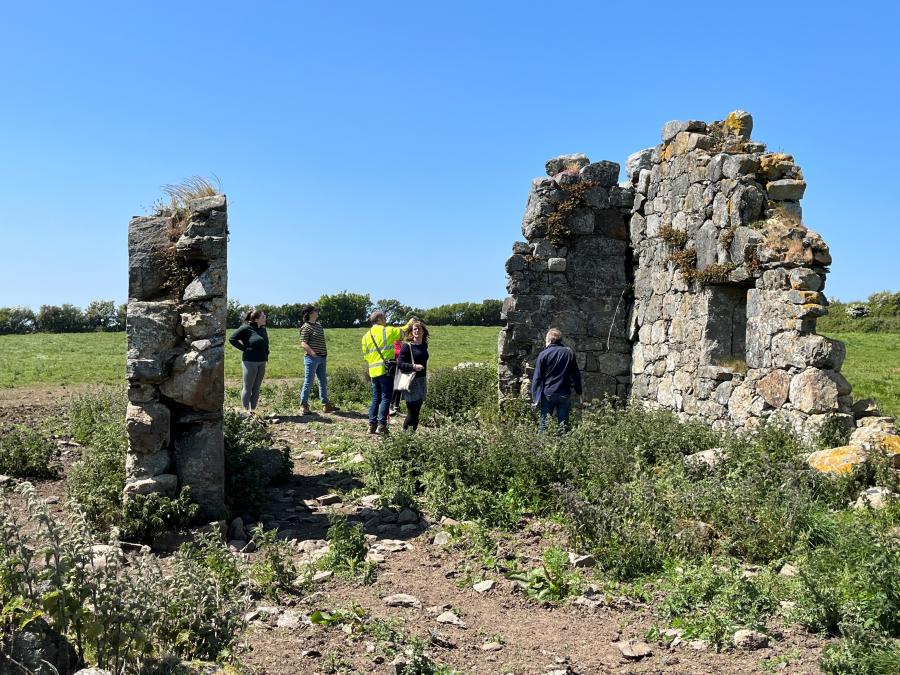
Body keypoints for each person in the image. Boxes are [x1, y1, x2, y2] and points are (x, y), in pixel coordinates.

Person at [361, 311, 414, 434]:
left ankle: (371, 425)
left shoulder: (365, 336)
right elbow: (402, 332)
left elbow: (366, 356)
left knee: (375, 398)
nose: (385, 320)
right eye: (384, 318)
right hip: (385, 370)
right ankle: (382, 425)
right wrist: (410, 323)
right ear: (379, 319)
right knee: (386, 398)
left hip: (373, 371)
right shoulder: (387, 330)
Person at [531, 328, 582, 434]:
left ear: (549, 340)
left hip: (548, 394)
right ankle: (562, 448)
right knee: (563, 427)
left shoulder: (543, 354)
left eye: (546, 339)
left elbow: (537, 378)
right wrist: (579, 391)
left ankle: (541, 447)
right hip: (564, 393)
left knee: (543, 425)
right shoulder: (569, 353)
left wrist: (535, 397)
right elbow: (576, 375)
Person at [228, 309, 270, 414]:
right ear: (256, 319)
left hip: (262, 361)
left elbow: (265, 343)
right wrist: (245, 349)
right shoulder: (246, 328)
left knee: (257, 387)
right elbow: (232, 339)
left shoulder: (263, 329)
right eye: (263, 317)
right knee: (248, 387)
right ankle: (246, 412)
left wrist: (266, 353)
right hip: (250, 362)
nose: (265, 318)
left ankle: (253, 411)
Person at [299, 304, 337, 415]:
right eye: (316, 310)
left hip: (322, 358)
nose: (317, 311)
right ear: (310, 313)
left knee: (323, 381)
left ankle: (325, 405)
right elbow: (303, 343)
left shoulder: (319, 325)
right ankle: (303, 405)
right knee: (309, 382)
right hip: (312, 359)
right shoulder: (306, 327)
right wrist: (313, 353)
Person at [397, 320, 429, 431]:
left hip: (422, 381)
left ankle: (412, 437)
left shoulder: (424, 345)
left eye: (419, 328)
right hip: (411, 382)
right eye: (414, 328)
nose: (416, 330)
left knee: (417, 412)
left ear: (423, 331)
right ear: (411, 332)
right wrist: (413, 366)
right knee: (412, 412)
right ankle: (404, 437)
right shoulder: (407, 346)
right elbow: (400, 364)